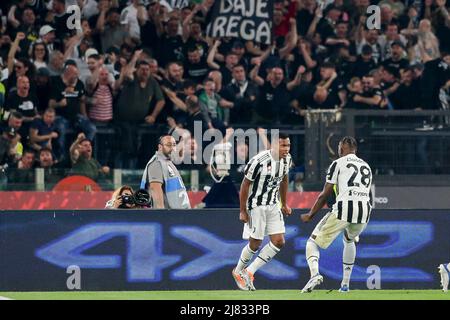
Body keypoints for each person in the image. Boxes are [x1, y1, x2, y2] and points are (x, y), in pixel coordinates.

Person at [300, 136, 373, 293]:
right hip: (364, 211)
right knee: (349, 239)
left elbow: (324, 194)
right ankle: (345, 284)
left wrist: (310, 215)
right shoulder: (366, 166)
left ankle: (314, 275)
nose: (338, 149)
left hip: (344, 208)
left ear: (343, 148)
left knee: (311, 243)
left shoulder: (338, 163)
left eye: (339, 146)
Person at [232, 132, 292, 291]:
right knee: (255, 243)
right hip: (256, 205)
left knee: (279, 241)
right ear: (273, 145)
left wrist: (284, 203)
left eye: (288, 145)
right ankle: (238, 271)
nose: (286, 149)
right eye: (282, 145)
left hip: (273, 205)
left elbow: (284, 179)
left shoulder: (287, 160)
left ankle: (249, 272)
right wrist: (242, 211)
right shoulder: (258, 161)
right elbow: (245, 185)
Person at [140, 135, 191, 209]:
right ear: (160, 147)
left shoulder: (168, 162)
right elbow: (155, 188)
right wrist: (162, 213)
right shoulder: (156, 163)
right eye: (169, 145)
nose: (173, 148)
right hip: (168, 216)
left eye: (174, 145)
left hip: (178, 213)